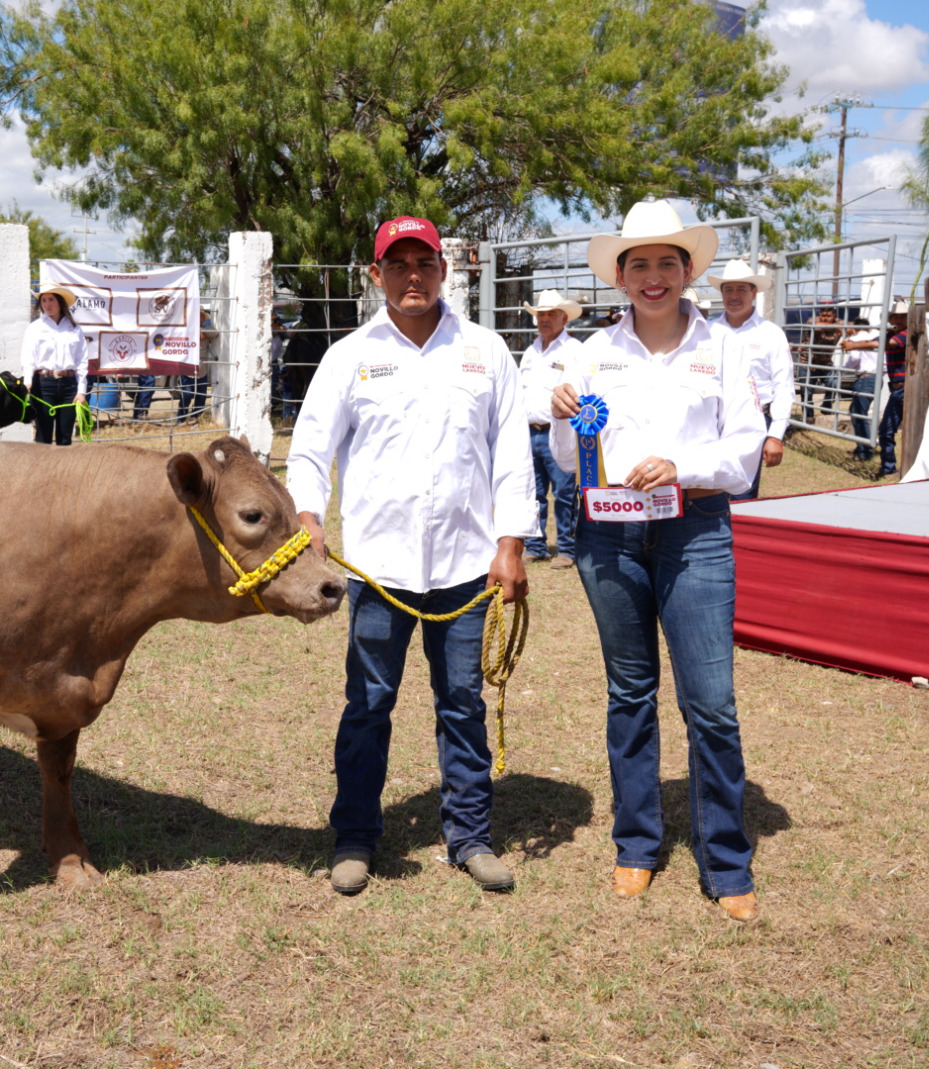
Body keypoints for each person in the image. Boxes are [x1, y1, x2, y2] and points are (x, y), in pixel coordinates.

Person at [289, 215, 534, 896]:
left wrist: (511, 544)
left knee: (462, 701)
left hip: (465, 565)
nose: (412, 276)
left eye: (423, 262)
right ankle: (356, 835)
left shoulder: (486, 352)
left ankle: (470, 835)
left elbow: (513, 454)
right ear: (376, 276)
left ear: (444, 269)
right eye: (397, 265)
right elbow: (310, 447)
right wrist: (308, 515)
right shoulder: (349, 356)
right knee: (367, 703)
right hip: (379, 567)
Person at [548, 199, 765, 922]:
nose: (652, 276)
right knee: (630, 692)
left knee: (711, 702)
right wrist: (561, 418)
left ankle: (726, 858)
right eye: (638, 263)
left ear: (687, 270)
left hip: (694, 529)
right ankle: (637, 844)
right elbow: (567, 459)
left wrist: (683, 465)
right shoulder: (590, 353)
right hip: (609, 536)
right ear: (619, 275)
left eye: (666, 262)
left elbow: (743, 451)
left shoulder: (724, 349)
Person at [707, 259, 794, 500]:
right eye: (728, 289)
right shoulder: (707, 332)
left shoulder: (771, 334)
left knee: (741, 493)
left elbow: (783, 386)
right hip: (712, 421)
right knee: (707, 489)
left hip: (754, 421)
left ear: (753, 292)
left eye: (741, 289)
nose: (734, 296)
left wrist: (775, 435)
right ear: (721, 293)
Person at [519, 289, 583, 566]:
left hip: (559, 432)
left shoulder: (575, 351)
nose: (545, 319)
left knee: (564, 493)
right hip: (529, 430)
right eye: (541, 314)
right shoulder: (531, 351)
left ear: (564, 318)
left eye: (551, 314)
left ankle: (568, 549)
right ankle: (536, 544)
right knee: (533, 493)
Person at [21, 284, 89, 446]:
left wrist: (81, 391)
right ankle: (40, 470)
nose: (47, 304)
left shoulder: (75, 329)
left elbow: (82, 361)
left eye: (51, 300)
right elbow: (28, 357)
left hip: (69, 385)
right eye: (44, 300)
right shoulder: (35, 328)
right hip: (43, 384)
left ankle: (63, 471)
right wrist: (27, 382)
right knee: (43, 435)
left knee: (65, 436)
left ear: (60, 302)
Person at [839, 318, 881, 459]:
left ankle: (865, 451)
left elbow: (854, 359)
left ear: (854, 328)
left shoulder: (856, 339)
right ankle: (863, 448)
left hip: (864, 378)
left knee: (859, 415)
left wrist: (844, 369)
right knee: (858, 414)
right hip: (876, 378)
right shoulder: (874, 338)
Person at [877, 300, 910, 476]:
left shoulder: (906, 333)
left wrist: (855, 344)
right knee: (885, 431)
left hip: (907, 388)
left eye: (902, 316)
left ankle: (903, 467)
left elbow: (887, 344)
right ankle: (888, 468)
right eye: (895, 316)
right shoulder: (891, 334)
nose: (898, 319)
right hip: (897, 389)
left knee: (911, 431)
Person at [800, 305, 842, 423]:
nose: (824, 318)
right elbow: (813, 328)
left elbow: (848, 326)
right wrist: (839, 326)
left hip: (825, 362)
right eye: (822, 315)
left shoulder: (839, 324)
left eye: (828, 316)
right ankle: (808, 416)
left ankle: (826, 406)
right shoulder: (812, 322)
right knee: (807, 391)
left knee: (834, 383)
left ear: (834, 316)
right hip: (807, 362)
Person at [178, 308, 218, 424]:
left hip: (202, 369)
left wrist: (202, 329)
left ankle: (195, 417)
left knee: (201, 395)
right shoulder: (186, 328)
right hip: (187, 367)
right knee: (187, 394)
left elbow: (215, 333)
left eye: (200, 316)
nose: (198, 318)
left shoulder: (206, 329)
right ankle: (181, 419)